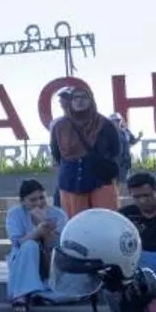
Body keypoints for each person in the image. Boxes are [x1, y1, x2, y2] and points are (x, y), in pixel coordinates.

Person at [49, 85, 126, 217]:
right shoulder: (60, 126)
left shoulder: (105, 124)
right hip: (71, 181)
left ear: (91, 100)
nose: (79, 101)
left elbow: (116, 150)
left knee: (106, 219)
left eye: (84, 97)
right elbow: (56, 153)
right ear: (70, 102)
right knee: (77, 222)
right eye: (75, 98)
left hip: (101, 180)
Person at [3, 179, 66, 310]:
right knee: (30, 245)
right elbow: (18, 243)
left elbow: (59, 245)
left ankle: (33, 293)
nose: (38, 203)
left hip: (51, 260)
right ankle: (23, 294)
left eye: (41, 198)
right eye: (33, 200)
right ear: (23, 201)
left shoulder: (58, 214)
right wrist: (37, 231)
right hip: (23, 259)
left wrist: (45, 225)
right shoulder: (14, 214)